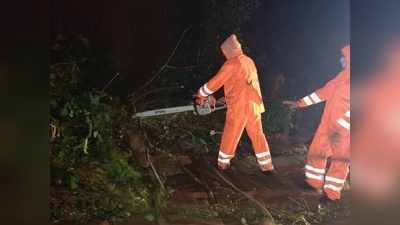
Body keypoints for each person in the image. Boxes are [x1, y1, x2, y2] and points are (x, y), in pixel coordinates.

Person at [194, 34, 274, 173]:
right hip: (254, 104)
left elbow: (214, 83)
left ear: (228, 51)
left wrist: (200, 94)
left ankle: (223, 164)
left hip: (239, 106)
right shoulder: (248, 61)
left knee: (231, 132)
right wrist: (226, 97)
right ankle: (267, 166)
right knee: (257, 134)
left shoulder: (231, 63)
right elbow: (243, 82)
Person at [283, 45, 350, 201]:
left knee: (340, 159)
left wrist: (345, 123)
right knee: (317, 151)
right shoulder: (343, 76)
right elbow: (323, 93)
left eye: (344, 57)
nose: (341, 60)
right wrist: (299, 103)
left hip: (343, 127)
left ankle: (332, 194)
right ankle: (313, 183)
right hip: (327, 123)